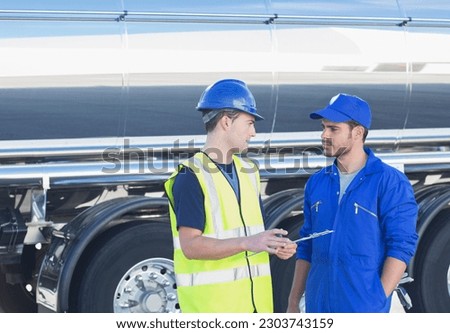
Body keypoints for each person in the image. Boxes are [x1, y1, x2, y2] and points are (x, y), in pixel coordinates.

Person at [164, 79, 297, 313]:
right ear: (226, 121)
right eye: (249, 123)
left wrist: (275, 245)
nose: (253, 133)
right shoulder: (191, 176)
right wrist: (249, 242)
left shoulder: (249, 173)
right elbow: (191, 246)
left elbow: (252, 235)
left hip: (256, 309)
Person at [287, 93, 418, 313]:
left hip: (362, 308)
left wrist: (376, 299)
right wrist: (293, 302)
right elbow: (307, 247)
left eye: (333, 129)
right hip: (318, 308)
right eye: (323, 127)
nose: (324, 135)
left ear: (357, 133)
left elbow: (401, 245)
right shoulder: (317, 182)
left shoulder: (389, 182)